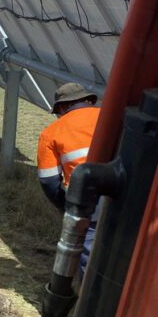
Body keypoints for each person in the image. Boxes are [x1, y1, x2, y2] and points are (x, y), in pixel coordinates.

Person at [37, 82, 100, 274]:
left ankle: (89, 291)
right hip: (125, 197)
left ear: (62, 107)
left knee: (89, 257)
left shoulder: (51, 133)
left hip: (87, 204)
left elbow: (49, 181)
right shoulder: (111, 117)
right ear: (88, 101)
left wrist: (65, 206)